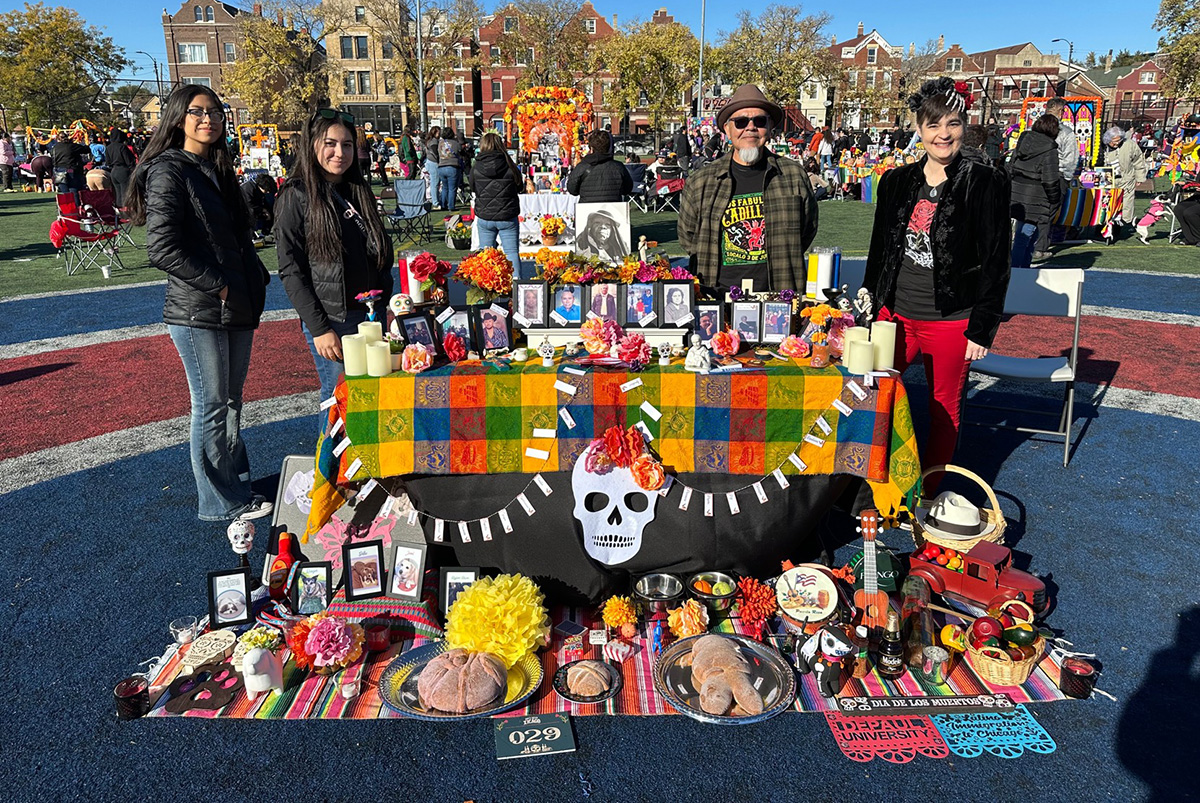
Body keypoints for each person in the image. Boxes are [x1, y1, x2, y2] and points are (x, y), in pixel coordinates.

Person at [125, 84, 272, 522]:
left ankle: (234, 483)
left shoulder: (217, 169)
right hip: (198, 309)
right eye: (197, 111)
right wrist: (219, 286)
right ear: (177, 117)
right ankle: (217, 501)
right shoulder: (168, 170)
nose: (208, 119)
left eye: (215, 112)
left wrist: (250, 279)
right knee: (209, 405)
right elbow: (162, 248)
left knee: (230, 402)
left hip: (237, 304)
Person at [862, 77, 1011, 491]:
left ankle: (930, 487)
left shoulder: (984, 180)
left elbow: (996, 259)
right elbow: (881, 250)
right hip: (896, 314)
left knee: (944, 408)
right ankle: (872, 478)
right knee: (872, 393)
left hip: (952, 319)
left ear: (964, 125)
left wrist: (983, 325)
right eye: (933, 125)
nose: (943, 134)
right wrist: (872, 304)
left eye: (952, 123)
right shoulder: (895, 181)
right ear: (919, 128)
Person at [275, 108, 395, 406]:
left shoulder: (358, 189)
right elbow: (291, 271)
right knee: (339, 399)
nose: (339, 152)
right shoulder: (296, 195)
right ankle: (329, 455)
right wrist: (320, 329)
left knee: (371, 400)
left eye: (347, 145)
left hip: (370, 313)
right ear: (312, 144)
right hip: (333, 319)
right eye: (330, 143)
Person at [678, 83, 819, 293]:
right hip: (716, 298)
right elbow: (687, 237)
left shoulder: (793, 175)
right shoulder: (702, 181)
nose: (750, 127)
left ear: (770, 128)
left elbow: (807, 230)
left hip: (778, 299)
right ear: (727, 129)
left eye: (759, 121)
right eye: (741, 121)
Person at [1008, 114, 1063, 268]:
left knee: (1025, 235)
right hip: (1037, 195)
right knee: (1025, 236)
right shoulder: (1050, 148)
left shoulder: (1024, 139)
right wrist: (1055, 199)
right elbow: (1050, 178)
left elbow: (1011, 164)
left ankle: (1022, 269)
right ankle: (1018, 271)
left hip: (1018, 190)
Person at [471, 131, 523, 268]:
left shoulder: (476, 167)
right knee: (511, 253)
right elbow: (519, 187)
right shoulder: (510, 166)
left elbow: (473, 188)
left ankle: (487, 286)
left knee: (487, 255)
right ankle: (516, 285)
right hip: (507, 215)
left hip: (485, 215)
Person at [1103, 126, 1147, 232]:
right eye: (1114, 141)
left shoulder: (1130, 145)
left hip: (1126, 178)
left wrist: (1140, 177)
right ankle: (1105, 223)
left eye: (1119, 140)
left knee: (1127, 202)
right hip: (1108, 179)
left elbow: (1138, 160)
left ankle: (1124, 223)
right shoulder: (1102, 147)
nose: (1117, 143)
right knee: (1107, 202)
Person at [567, 130, 632, 202]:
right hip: (613, 209)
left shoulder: (582, 167)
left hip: (587, 208)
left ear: (591, 148)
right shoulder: (619, 167)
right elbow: (627, 189)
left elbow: (572, 189)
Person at [105, 129, 137, 205]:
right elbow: (129, 161)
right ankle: (126, 213)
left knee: (117, 193)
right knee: (125, 193)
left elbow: (108, 162)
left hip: (113, 171)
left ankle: (119, 212)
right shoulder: (122, 147)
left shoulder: (108, 148)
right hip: (123, 170)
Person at [242, 173, 279, 239]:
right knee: (251, 213)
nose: (268, 192)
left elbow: (265, 204)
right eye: (267, 190)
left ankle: (264, 234)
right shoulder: (248, 188)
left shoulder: (260, 192)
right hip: (244, 211)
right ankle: (250, 235)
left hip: (256, 209)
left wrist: (267, 212)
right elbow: (248, 205)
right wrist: (263, 210)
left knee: (270, 212)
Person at [436, 127, 462, 211]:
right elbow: (460, 151)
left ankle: (443, 204)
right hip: (452, 166)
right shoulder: (455, 143)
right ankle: (451, 206)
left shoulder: (440, 143)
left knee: (445, 187)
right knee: (452, 188)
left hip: (441, 166)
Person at [424, 125, 441, 203]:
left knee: (435, 183)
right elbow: (435, 152)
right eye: (438, 132)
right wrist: (439, 159)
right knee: (435, 183)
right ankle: (435, 201)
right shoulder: (434, 141)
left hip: (430, 162)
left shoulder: (429, 140)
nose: (440, 134)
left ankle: (435, 199)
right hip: (433, 163)